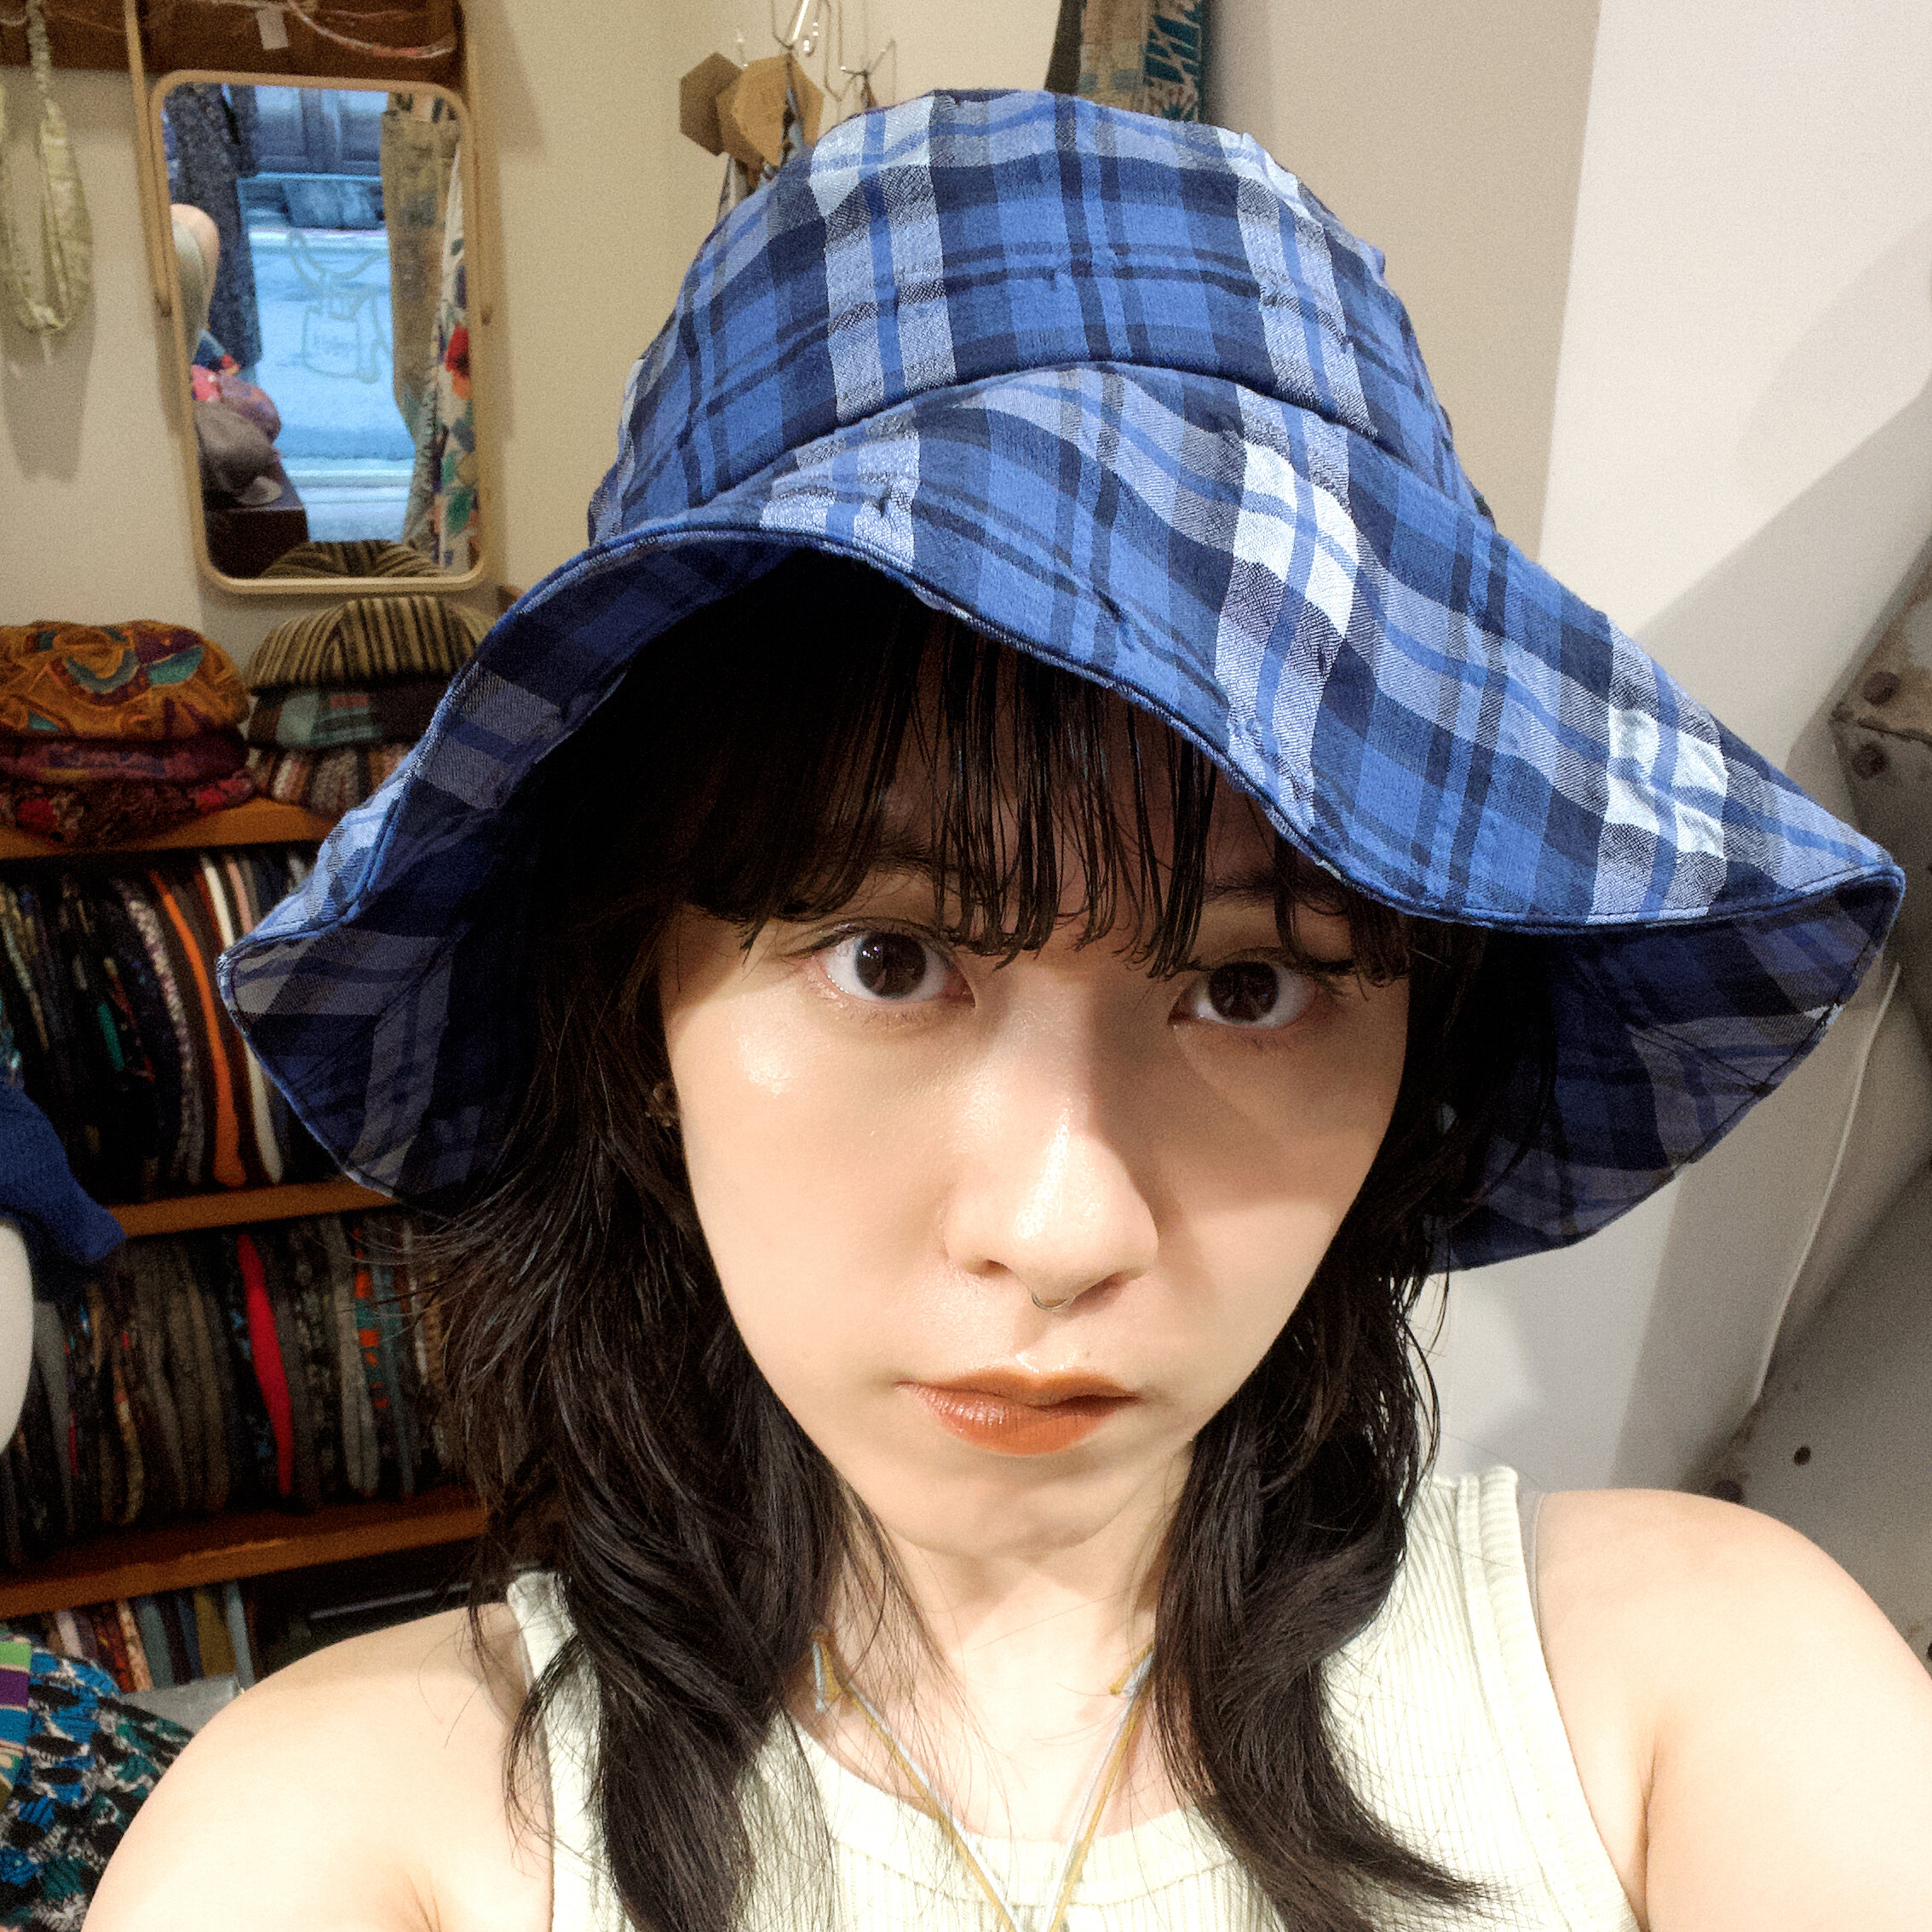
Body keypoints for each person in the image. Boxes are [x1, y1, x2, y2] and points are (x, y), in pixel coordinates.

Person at [90, 90, 1932, 1932]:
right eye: (889, 959)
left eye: (1248, 985)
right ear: (633, 1003)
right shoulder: (350, 1837)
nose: (1061, 1234)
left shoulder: (1694, 1706)